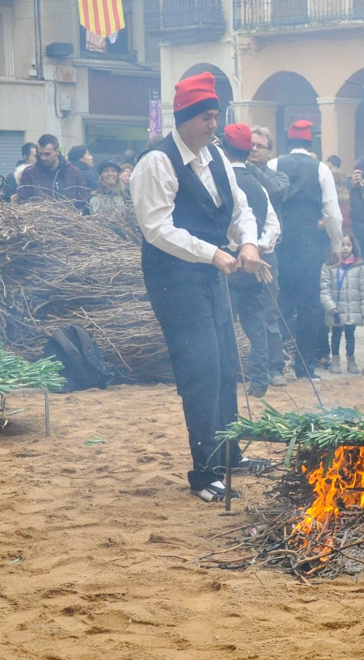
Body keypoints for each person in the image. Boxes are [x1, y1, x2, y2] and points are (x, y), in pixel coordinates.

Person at [130, 71, 272, 503]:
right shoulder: (156, 162)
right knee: (201, 368)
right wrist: (213, 252)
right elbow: (157, 228)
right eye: (208, 118)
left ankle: (229, 453)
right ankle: (204, 471)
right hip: (174, 280)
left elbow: (241, 209)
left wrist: (248, 242)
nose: (214, 126)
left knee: (226, 360)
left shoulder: (217, 160)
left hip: (211, 273)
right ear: (186, 118)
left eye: (216, 117)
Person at [268, 119, 344, 380]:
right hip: (310, 243)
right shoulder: (321, 168)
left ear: (289, 143)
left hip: (281, 241)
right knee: (310, 305)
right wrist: (336, 245)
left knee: (282, 303)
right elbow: (332, 213)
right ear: (311, 143)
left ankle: (277, 366)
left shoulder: (274, 164)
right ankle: (306, 367)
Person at [219, 123, 282, 398]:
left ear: (222, 148)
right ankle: (259, 379)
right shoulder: (259, 185)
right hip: (255, 267)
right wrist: (256, 250)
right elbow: (274, 226)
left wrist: (239, 248)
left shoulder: (219, 182)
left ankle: (226, 379)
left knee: (223, 325)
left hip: (226, 264)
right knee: (256, 326)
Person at [319, 233, 364, 374]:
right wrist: (330, 306)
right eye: (341, 245)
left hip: (352, 310)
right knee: (336, 335)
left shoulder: (359, 267)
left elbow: (363, 289)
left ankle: (351, 359)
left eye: (348, 245)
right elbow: (324, 290)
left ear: (353, 247)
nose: (345, 248)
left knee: (350, 335)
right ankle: (335, 360)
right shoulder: (329, 266)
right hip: (336, 310)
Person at [17, 134, 90, 209]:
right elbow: (22, 203)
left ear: (57, 151)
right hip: (38, 219)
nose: (43, 158)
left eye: (47, 154)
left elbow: (83, 203)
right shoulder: (29, 174)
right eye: (40, 154)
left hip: (70, 219)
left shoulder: (74, 173)